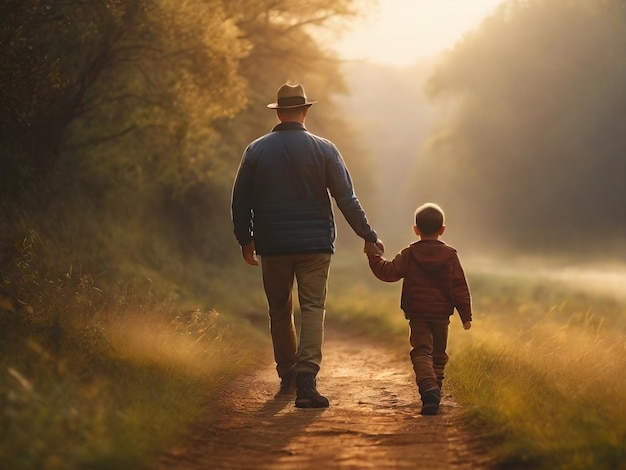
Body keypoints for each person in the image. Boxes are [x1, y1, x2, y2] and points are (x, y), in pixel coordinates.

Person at [231, 83, 384, 408]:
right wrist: (368, 236)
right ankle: (307, 382)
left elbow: (240, 200)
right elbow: (346, 198)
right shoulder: (325, 149)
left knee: (279, 310)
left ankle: (286, 374)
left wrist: (245, 239)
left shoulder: (256, 150)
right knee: (313, 308)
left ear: (279, 111)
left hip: (272, 245)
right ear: (304, 111)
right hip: (315, 245)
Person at [364, 202, 472, 415]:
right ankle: (434, 390)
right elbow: (460, 285)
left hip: (417, 313)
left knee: (422, 350)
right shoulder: (450, 255)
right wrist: (466, 316)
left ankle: (429, 390)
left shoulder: (410, 253)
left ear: (416, 230)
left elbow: (388, 272)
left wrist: (372, 255)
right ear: (442, 230)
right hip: (442, 314)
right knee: (439, 354)